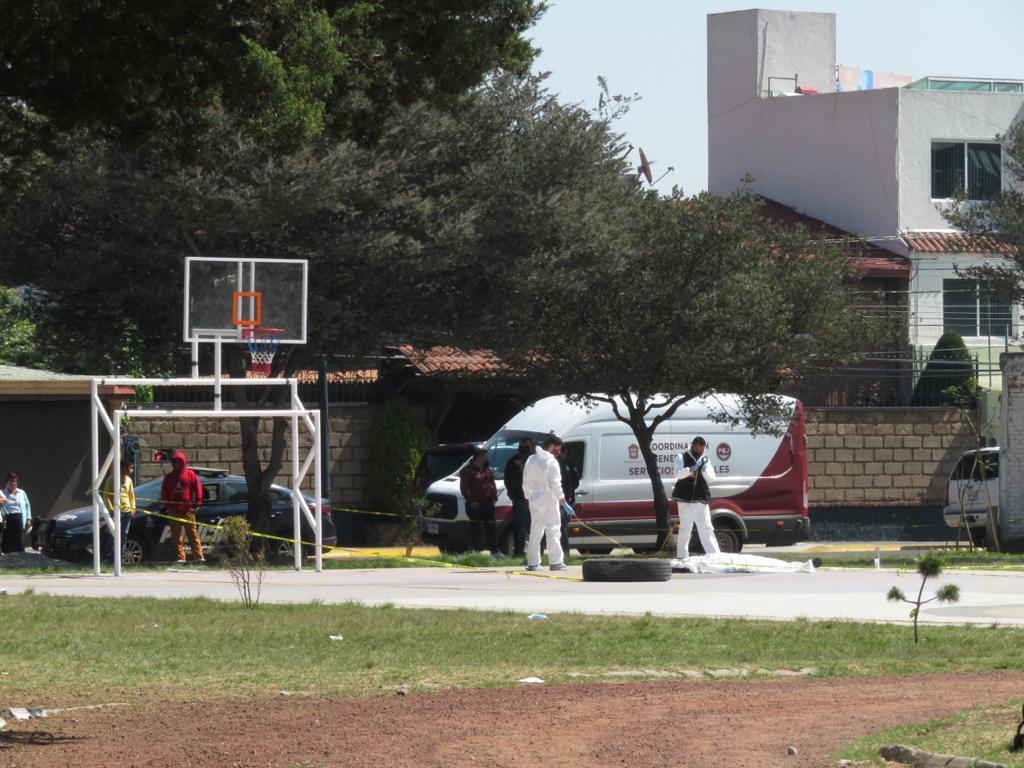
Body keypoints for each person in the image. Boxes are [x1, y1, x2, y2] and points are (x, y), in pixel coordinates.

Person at [523, 436, 567, 572]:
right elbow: (556, 484)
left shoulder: (531, 460)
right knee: (553, 529)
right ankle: (556, 562)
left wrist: (528, 496)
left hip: (534, 500)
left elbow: (525, 480)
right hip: (548, 499)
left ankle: (533, 563)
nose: (559, 453)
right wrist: (562, 500)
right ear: (552, 446)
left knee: (536, 530)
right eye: (558, 450)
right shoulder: (551, 462)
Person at [672, 436, 720, 560]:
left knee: (706, 528)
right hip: (685, 500)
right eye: (699, 448)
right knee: (685, 529)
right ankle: (682, 557)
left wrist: (704, 470)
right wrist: (690, 470)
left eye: (703, 448)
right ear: (693, 446)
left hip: (701, 499)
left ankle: (714, 556)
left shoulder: (705, 459)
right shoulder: (681, 457)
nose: (701, 451)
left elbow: (711, 478)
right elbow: (677, 474)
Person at [160, 450, 204, 563]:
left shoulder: (190, 474)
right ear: (173, 464)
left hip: (188, 510)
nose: (177, 464)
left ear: (184, 463)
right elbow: (164, 492)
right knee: (176, 535)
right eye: (176, 462)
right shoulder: (169, 477)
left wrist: (197, 504)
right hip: (173, 511)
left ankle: (199, 556)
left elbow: (198, 488)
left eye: (180, 462)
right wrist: (168, 505)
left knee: (192, 534)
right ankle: (181, 557)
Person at [459, 448, 502, 558]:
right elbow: (464, 488)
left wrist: (494, 498)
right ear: (478, 457)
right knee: (475, 528)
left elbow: (492, 484)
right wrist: (471, 501)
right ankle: (475, 552)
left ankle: (494, 551)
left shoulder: (487, 470)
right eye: (484, 456)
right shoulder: (467, 471)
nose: (486, 458)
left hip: (488, 504)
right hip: (475, 505)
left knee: (491, 528)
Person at [502, 438, 533, 558]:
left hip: (534, 499)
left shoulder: (534, 460)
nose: (526, 447)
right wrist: (513, 495)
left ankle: (535, 552)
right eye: (524, 445)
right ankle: (519, 553)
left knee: (534, 527)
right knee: (521, 528)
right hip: (520, 500)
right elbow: (508, 481)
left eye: (528, 445)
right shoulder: (513, 462)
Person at [101, 460, 136, 563]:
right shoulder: (111, 479)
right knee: (113, 534)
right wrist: (110, 508)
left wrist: (133, 508)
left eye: (132, 468)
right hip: (116, 512)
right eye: (130, 468)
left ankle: (119, 559)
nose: (132, 470)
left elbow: (131, 496)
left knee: (124, 535)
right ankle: (107, 558)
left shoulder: (128, 480)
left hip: (127, 512)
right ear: (124, 467)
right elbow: (106, 496)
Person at [0, 472, 31, 554]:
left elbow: (27, 505)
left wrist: (28, 518)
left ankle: (19, 553)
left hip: (19, 517)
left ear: (17, 482)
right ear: (6, 483)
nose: (13, 483)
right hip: (7, 517)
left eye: (15, 481)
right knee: (7, 536)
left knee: (18, 536)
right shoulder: (2, 493)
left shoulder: (22, 492)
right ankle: (6, 552)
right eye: (10, 481)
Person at [557, 444, 580, 553]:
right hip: (567, 499)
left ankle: (565, 552)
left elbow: (573, 483)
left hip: (565, 500)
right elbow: (575, 483)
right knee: (562, 526)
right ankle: (564, 552)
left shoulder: (563, 464)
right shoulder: (569, 464)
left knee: (562, 527)